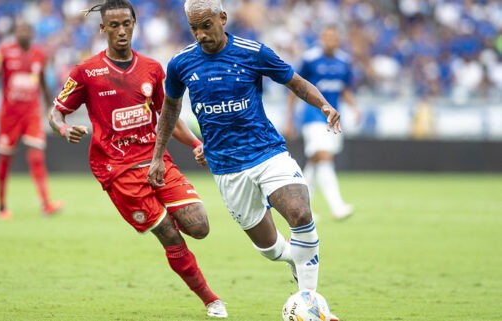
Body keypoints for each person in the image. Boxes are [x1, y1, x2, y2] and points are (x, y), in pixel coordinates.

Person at [147, 1, 340, 320]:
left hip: (267, 152)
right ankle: (296, 259)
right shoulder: (181, 63)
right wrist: (158, 156)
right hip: (226, 168)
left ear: (222, 18)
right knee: (270, 248)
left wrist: (324, 106)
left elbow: (295, 82)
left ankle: (309, 302)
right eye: (194, 29)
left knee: (300, 212)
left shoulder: (253, 52)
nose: (200, 35)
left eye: (206, 26)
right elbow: (169, 110)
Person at [48, 0, 227, 318]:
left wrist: (197, 143)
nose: (120, 31)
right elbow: (56, 112)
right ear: (103, 29)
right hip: (117, 170)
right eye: (113, 25)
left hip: (156, 161)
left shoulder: (152, 69)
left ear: (134, 24)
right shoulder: (87, 71)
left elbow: (169, 117)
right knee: (169, 234)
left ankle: (167, 217)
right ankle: (211, 299)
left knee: (199, 226)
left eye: (126, 24)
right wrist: (62, 129)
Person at [0, 18, 63, 220]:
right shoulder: (3, 51)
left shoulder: (39, 54)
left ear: (32, 33)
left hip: (31, 113)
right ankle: (1, 206)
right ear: (15, 32)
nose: (24, 33)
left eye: (27, 30)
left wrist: (52, 108)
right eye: (20, 30)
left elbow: (44, 84)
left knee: (37, 156)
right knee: (4, 159)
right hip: (9, 115)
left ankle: (46, 204)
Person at [285, 25, 360, 220]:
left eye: (333, 38)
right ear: (321, 39)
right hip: (313, 115)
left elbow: (343, 88)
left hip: (334, 117)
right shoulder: (310, 59)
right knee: (324, 156)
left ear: (338, 40)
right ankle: (337, 207)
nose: (330, 41)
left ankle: (301, 206)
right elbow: (295, 87)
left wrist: (354, 107)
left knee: (316, 161)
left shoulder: (344, 61)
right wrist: (290, 118)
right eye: (326, 37)